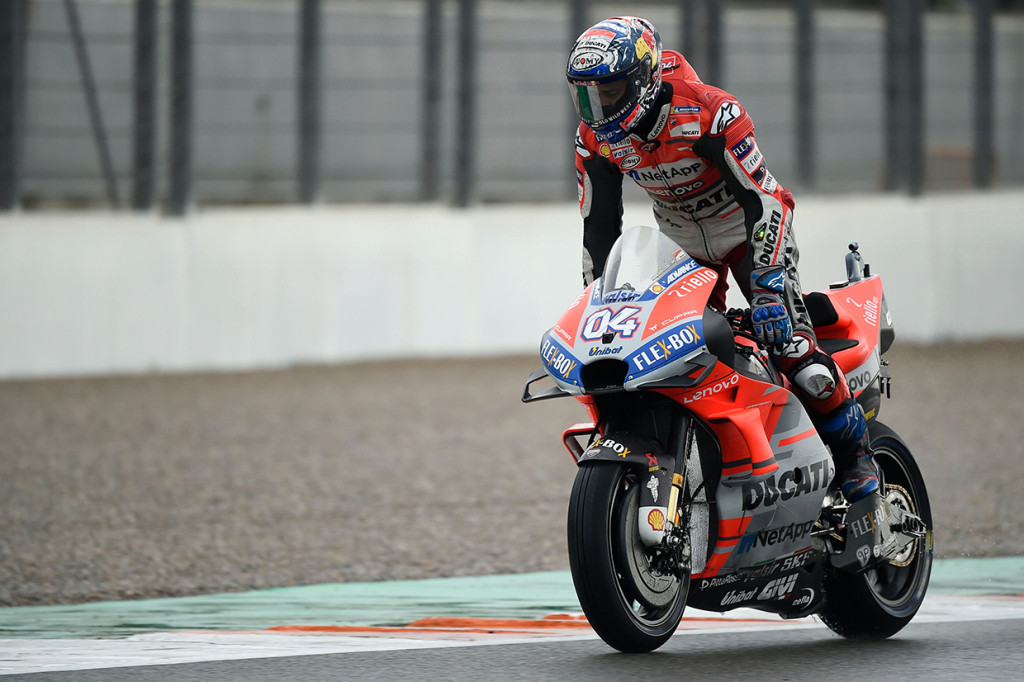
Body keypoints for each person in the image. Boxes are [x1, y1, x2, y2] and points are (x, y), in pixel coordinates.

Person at [566, 16, 880, 502]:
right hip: (678, 248)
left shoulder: (712, 113)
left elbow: (767, 201)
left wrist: (771, 286)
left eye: (609, 90)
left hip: (746, 233)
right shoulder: (595, 138)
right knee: (657, 353)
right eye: (585, 94)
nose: (596, 106)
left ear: (646, 79)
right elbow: (599, 227)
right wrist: (598, 300)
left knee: (792, 349)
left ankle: (857, 456)